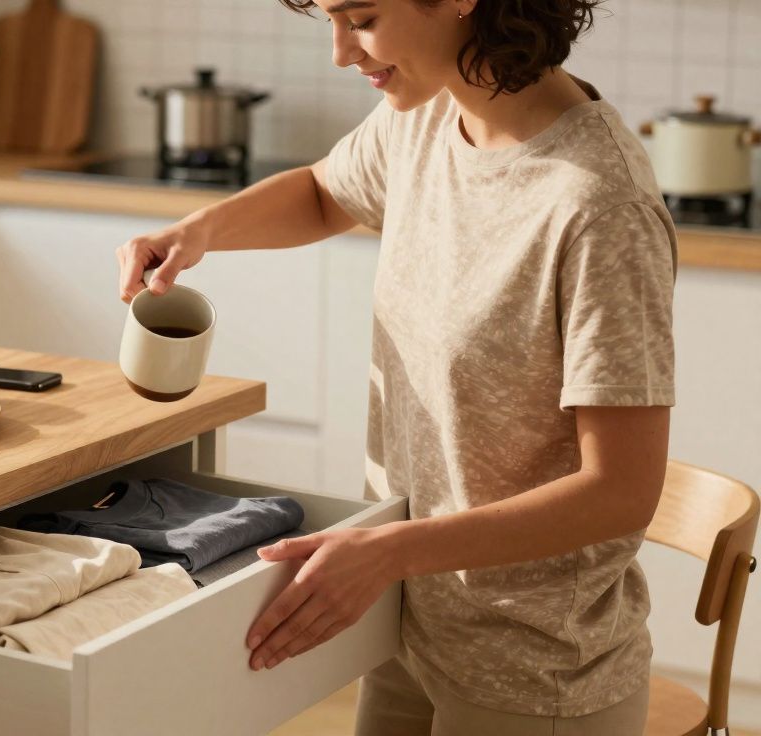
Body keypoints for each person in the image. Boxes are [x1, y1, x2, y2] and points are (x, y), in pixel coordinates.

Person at [114, 1, 676, 734]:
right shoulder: (429, 113)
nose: (342, 53)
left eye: (362, 17)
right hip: (407, 623)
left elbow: (620, 492)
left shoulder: (599, 205)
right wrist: (197, 232)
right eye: (330, 20)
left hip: (533, 668)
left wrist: (385, 553)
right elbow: (325, 193)